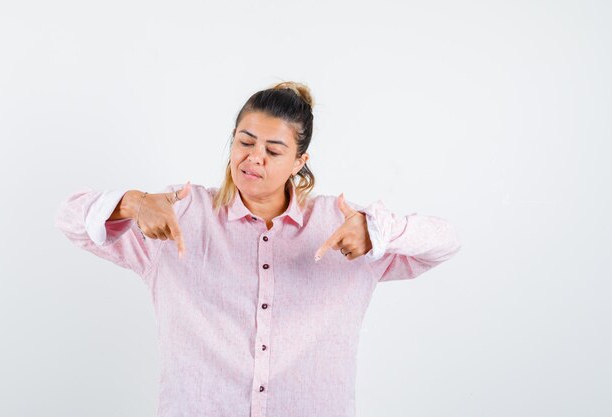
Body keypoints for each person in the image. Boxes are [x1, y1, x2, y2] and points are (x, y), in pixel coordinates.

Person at [54, 81, 462, 417]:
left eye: (273, 150)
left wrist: (379, 232)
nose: (254, 159)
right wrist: (133, 202)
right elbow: (70, 220)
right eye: (245, 142)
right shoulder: (178, 215)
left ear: (300, 160)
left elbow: (445, 241)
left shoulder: (343, 229)